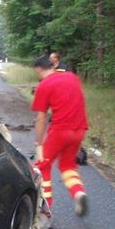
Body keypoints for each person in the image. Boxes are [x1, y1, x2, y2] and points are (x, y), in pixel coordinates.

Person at [31, 55, 89, 218]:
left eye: (37, 73)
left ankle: (45, 212)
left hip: (60, 130)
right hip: (79, 130)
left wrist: (39, 143)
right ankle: (78, 193)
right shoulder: (72, 77)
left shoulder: (45, 85)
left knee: (42, 167)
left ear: (40, 69)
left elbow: (41, 118)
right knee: (68, 166)